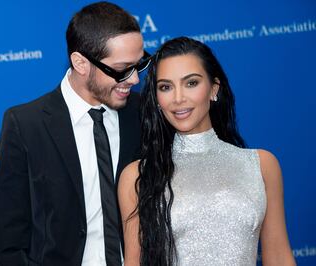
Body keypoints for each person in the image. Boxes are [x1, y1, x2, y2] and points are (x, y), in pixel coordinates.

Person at [0, 2, 152, 265]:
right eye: (122, 69)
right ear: (80, 63)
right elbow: (10, 241)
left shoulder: (143, 111)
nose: (134, 79)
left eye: (139, 64)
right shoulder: (26, 124)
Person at [118, 36, 296, 265]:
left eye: (191, 83)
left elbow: (279, 257)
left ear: (214, 89)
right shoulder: (138, 176)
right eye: (165, 87)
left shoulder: (261, 165)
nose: (178, 98)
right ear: (157, 98)